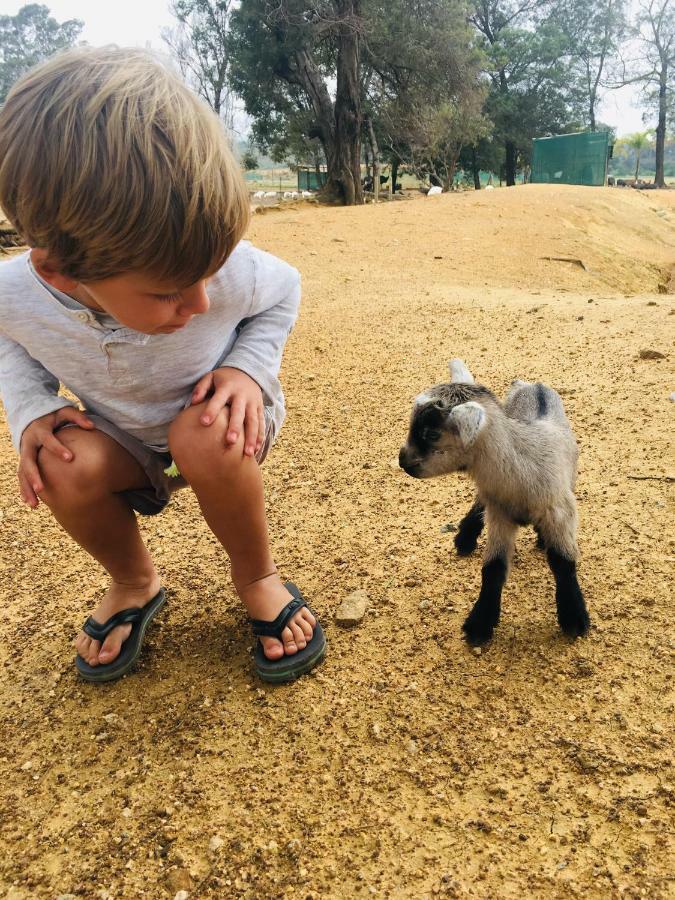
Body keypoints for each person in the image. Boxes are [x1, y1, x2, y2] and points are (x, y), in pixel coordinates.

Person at [0, 46, 325, 685]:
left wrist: (249, 370)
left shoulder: (211, 260)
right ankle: (134, 582)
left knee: (210, 433)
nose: (202, 303)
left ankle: (257, 575)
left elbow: (282, 291)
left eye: (207, 278)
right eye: (170, 292)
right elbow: (7, 336)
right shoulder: (17, 291)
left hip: (210, 416)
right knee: (57, 464)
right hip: (120, 436)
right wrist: (33, 408)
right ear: (58, 269)